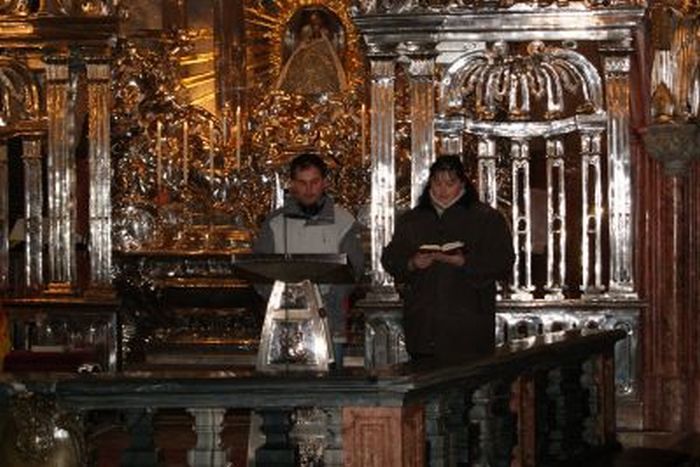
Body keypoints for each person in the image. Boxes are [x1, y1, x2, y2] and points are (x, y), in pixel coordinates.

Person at [381, 155, 514, 362]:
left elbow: (504, 261)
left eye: (449, 184)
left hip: (468, 324)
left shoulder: (486, 218)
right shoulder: (413, 219)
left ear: (462, 184)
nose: (442, 190)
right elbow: (391, 258)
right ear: (429, 183)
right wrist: (412, 263)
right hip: (424, 324)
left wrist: (465, 262)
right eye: (437, 183)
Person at [253, 153, 364, 365]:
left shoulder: (343, 221)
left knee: (329, 381)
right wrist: (280, 300)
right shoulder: (275, 223)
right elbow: (260, 269)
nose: (309, 189)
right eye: (302, 183)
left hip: (328, 321)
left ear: (325, 183)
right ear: (292, 184)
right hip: (285, 321)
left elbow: (353, 270)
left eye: (314, 182)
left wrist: (323, 303)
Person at [275, 10, 348, 95]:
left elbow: (329, 52)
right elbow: (300, 49)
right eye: (314, 22)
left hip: (322, 69)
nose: (316, 26)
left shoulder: (325, 38)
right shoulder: (305, 36)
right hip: (304, 68)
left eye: (317, 21)